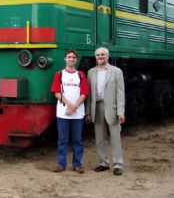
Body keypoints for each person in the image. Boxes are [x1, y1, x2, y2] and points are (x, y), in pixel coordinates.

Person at [86, 47, 125, 175]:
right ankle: (103, 163)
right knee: (99, 138)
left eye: (103, 54)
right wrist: (88, 112)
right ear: (95, 57)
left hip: (112, 108)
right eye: (98, 55)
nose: (100, 56)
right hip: (96, 107)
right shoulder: (91, 72)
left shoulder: (116, 71)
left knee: (115, 138)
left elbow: (120, 93)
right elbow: (89, 95)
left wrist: (121, 111)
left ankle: (118, 164)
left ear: (107, 56)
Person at [50, 49, 89, 174]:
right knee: (62, 140)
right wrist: (69, 105)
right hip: (63, 112)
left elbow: (84, 93)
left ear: (76, 60)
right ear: (65, 59)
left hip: (77, 113)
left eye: (73, 57)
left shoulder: (81, 75)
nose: (71, 59)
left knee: (77, 140)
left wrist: (75, 106)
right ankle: (61, 164)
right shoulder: (59, 74)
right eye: (69, 57)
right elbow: (57, 93)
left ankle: (77, 164)